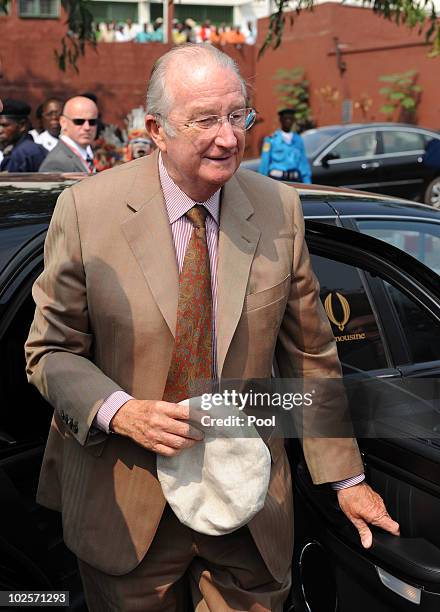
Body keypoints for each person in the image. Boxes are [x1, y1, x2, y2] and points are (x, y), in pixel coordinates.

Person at [25, 44, 399, 611]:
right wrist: (121, 411)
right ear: (156, 128)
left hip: (248, 509)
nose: (228, 138)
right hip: (127, 505)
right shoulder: (87, 211)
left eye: (237, 115)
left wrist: (346, 480)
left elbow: (311, 355)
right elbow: (50, 352)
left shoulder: (279, 208)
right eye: (205, 120)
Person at [39, 95, 98, 173]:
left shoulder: (89, 153)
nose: (87, 127)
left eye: (92, 122)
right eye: (79, 121)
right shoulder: (56, 163)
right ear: (63, 122)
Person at [258, 108, 312, 183]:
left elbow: (303, 163)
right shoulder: (270, 140)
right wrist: (261, 181)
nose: (288, 121)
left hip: (294, 180)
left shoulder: (298, 140)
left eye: (291, 118)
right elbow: (264, 162)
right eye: (285, 118)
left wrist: (307, 182)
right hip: (277, 180)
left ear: (294, 120)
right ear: (280, 120)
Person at [0, 99, 47, 172]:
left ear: (22, 125)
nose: (0, 130)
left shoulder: (21, 154)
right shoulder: (29, 149)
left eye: (4, 125)